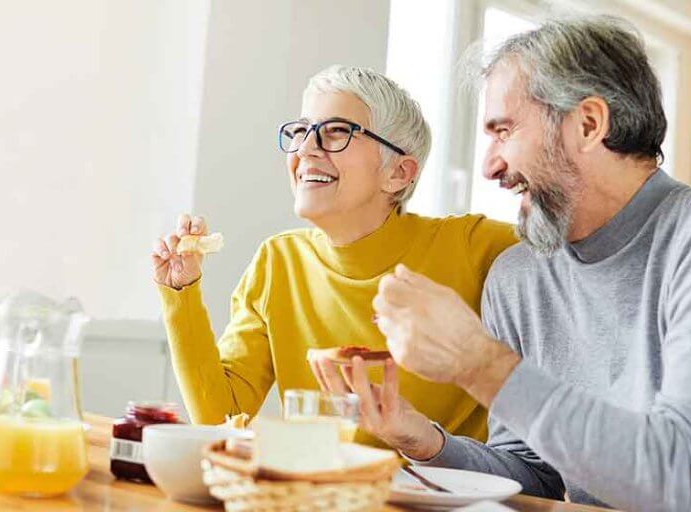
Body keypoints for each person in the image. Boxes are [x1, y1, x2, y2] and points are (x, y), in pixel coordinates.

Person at [336, 16, 691, 511]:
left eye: (504, 131)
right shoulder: (519, 277)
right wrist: (423, 441)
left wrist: (479, 363)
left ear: (588, 124)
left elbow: (688, 480)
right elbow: (532, 475)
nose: (489, 166)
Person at [149, 65, 518, 451]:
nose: (306, 148)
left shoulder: (477, 247)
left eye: (336, 132)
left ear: (398, 173)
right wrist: (181, 292)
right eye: (300, 132)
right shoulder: (277, 261)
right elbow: (220, 416)